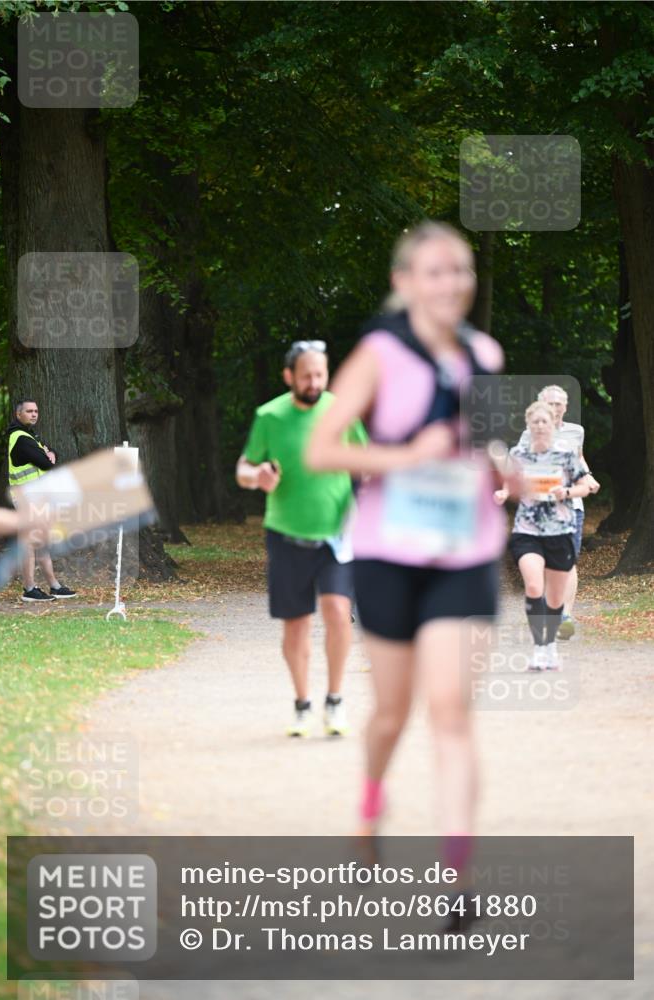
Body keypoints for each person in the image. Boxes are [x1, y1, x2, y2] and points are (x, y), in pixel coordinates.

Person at [307, 221, 508, 906]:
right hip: (389, 554)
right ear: (403, 283)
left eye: (459, 270)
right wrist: (403, 458)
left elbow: (481, 445)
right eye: (433, 270)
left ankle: (458, 875)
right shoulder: (377, 354)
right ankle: (369, 805)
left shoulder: (485, 354)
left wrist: (502, 469)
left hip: (466, 553)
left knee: (450, 710)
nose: (449, 282)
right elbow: (322, 450)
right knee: (392, 713)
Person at [236, 342, 368, 738]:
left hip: (336, 536)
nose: (315, 383)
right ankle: (302, 704)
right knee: (296, 626)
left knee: (337, 610)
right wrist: (256, 475)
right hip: (286, 534)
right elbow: (244, 467)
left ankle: (335, 700)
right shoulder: (270, 416)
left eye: (321, 375)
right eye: (307, 375)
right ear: (289, 376)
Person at [495, 400, 591, 670]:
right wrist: (504, 492)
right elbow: (509, 480)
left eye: (544, 422)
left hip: (559, 529)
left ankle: (550, 647)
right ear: (529, 425)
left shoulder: (566, 455)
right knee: (535, 586)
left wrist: (568, 492)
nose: (539, 426)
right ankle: (540, 648)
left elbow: (585, 485)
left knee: (554, 597)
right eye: (534, 422)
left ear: (553, 425)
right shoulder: (519, 452)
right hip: (528, 529)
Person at [516, 385, 600, 640]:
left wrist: (588, 478)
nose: (555, 408)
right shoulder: (529, 434)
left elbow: (580, 458)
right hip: (539, 510)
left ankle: (565, 616)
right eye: (549, 403)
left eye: (559, 404)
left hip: (571, 507)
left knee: (568, 561)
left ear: (566, 406)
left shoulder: (577, 431)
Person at [6, 399, 76, 602]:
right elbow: (46, 463)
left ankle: (54, 586)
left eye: (36, 411)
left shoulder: (31, 436)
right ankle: (29, 589)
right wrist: (48, 456)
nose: (34, 414)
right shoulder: (20, 438)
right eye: (29, 411)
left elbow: (52, 452)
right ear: (18, 414)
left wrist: (49, 453)